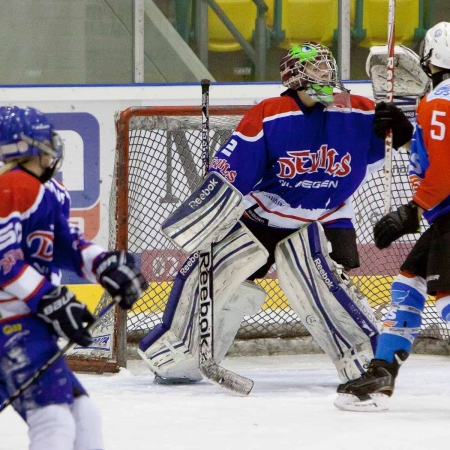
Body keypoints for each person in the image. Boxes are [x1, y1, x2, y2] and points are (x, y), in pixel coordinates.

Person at [138, 42, 413, 385]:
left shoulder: (355, 110)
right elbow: (231, 171)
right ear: (294, 75)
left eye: (327, 68)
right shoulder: (272, 113)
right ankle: (178, 351)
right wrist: (207, 214)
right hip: (261, 220)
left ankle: (365, 358)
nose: (325, 75)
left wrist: (403, 129)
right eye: (316, 69)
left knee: (323, 290)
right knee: (203, 278)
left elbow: (405, 146)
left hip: (320, 221)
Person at [0, 106, 148, 449]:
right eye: (44, 142)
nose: (52, 149)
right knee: (54, 420)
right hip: (12, 326)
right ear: (26, 146)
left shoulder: (43, 191)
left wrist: (106, 265)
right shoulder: (13, 186)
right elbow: (4, 260)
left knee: (82, 416)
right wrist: (47, 297)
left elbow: (68, 246)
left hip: (26, 325)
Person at [334, 21, 450, 412]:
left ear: (432, 58)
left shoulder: (440, 102)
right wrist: (404, 133)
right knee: (408, 285)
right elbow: (436, 151)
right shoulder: (436, 105)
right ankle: (382, 372)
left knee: (447, 297)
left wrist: (411, 209)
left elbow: (446, 169)